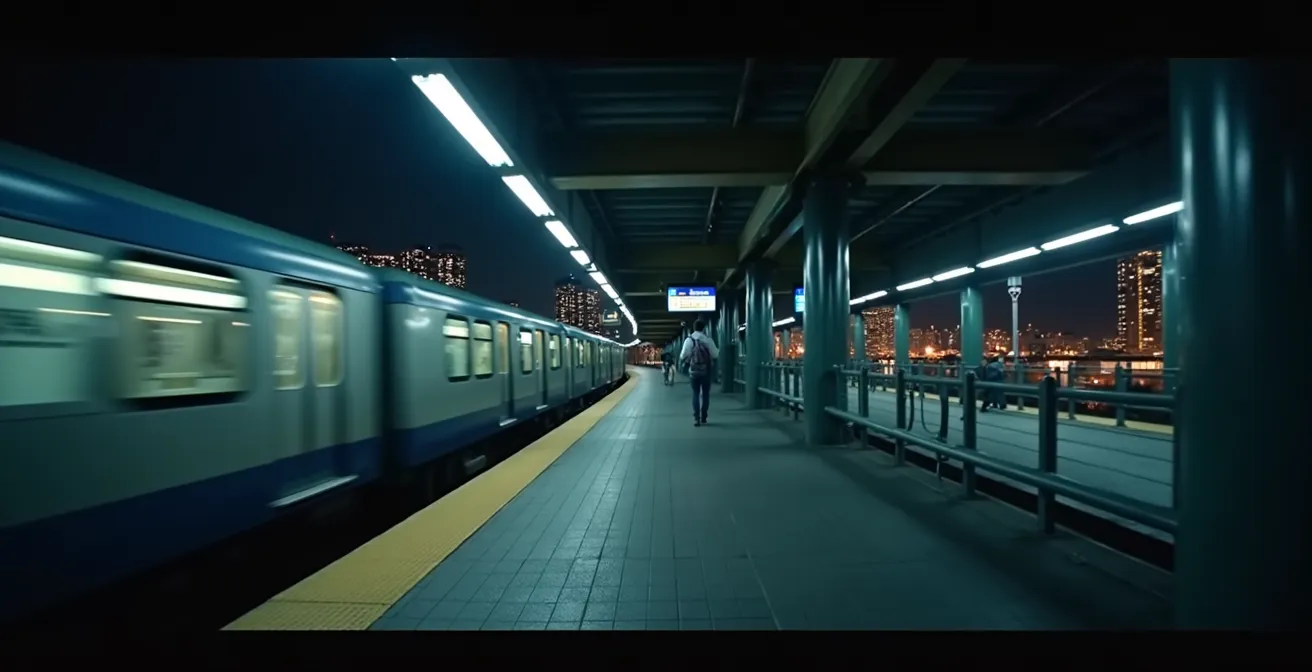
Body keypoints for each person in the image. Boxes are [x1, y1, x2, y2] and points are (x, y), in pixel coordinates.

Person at [679, 319, 720, 426]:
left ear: (694, 328)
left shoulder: (689, 340)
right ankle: (704, 417)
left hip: (693, 371)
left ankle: (696, 418)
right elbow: (715, 354)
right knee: (705, 394)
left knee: (695, 394)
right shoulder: (708, 340)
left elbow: (682, 356)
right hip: (706, 371)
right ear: (703, 328)